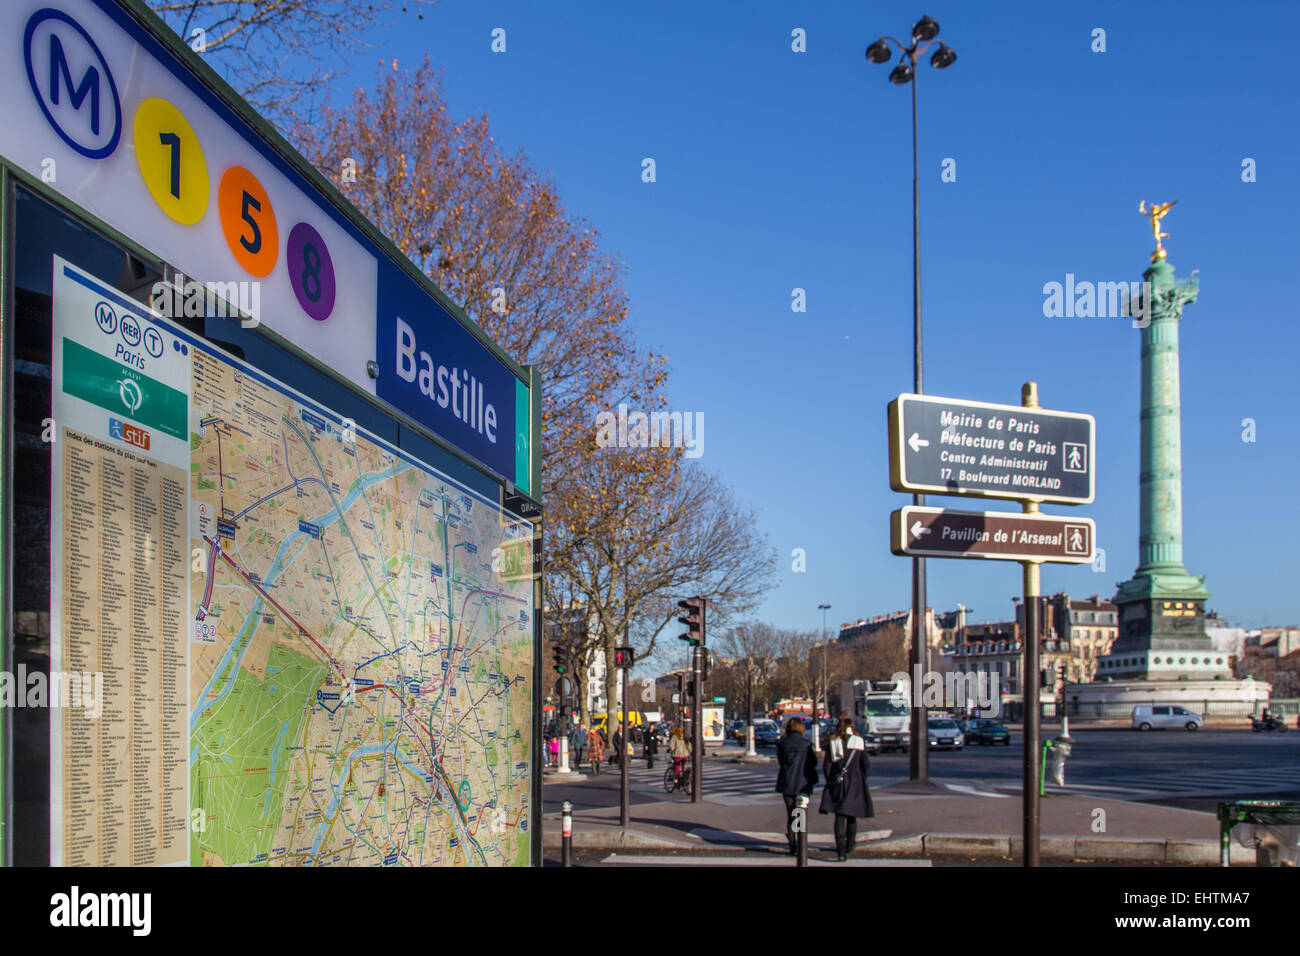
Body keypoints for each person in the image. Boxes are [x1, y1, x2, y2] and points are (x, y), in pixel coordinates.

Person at [819, 716, 874, 861]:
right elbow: (866, 766)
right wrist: (861, 779)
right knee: (852, 815)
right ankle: (850, 844)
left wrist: (831, 780)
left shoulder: (833, 742)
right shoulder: (858, 742)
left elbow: (827, 766)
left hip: (839, 783)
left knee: (839, 816)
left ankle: (840, 850)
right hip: (855, 782)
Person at [775, 717, 819, 855]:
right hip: (803, 783)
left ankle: (792, 844)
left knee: (791, 813)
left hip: (787, 782)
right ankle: (801, 842)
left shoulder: (782, 744)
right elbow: (813, 763)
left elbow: (781, 762)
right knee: (801, 813)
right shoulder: (806, 744)